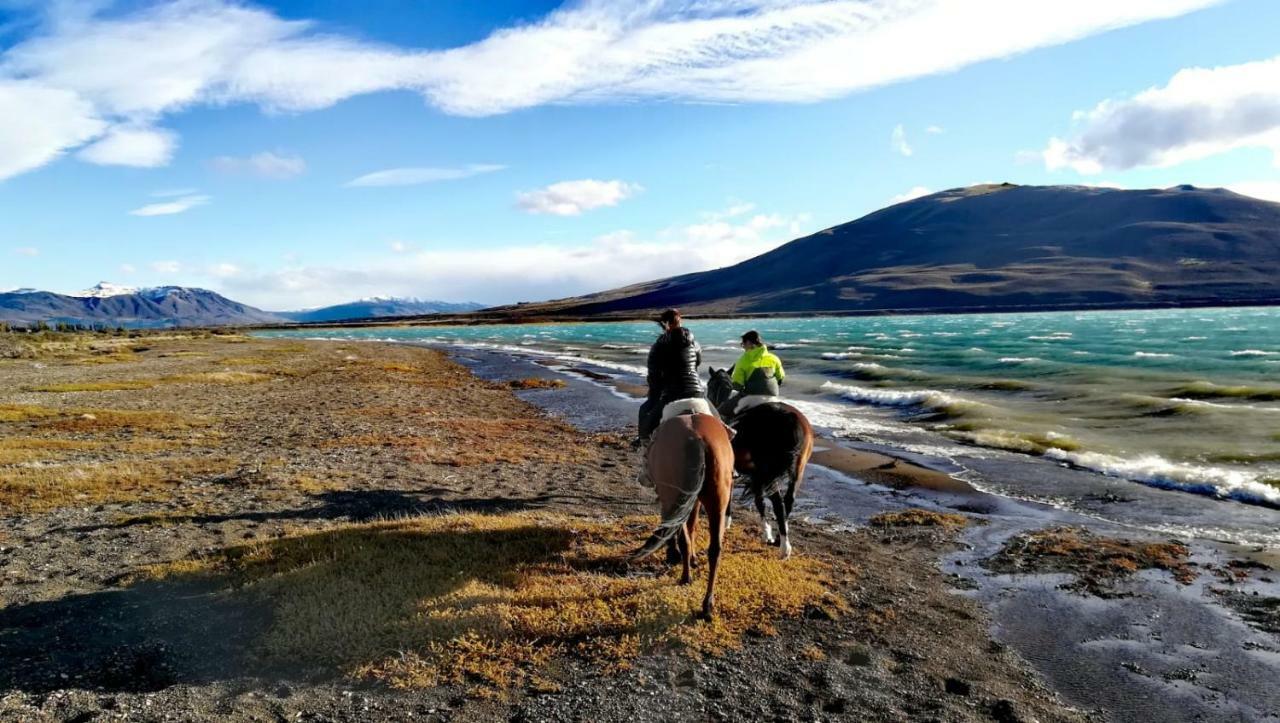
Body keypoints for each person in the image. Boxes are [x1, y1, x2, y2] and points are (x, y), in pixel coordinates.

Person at [636, 308, 706, 444]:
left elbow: (653, 377)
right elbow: (697, 363)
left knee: (644, 411)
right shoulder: (695, 343)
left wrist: (654, 395)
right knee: (718, 420)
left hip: (672, 394)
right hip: (696, 391)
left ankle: (642, 442)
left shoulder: (659, 345)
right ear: (680, 321)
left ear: (665, 324)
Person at [730, 330, 785, 397]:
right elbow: (780, 379)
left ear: (748, 343)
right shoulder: (774, 358)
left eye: (743, 344)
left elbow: (737, 385)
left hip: (752, 397)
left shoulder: (743, 360)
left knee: (726, 406)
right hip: (773, 396)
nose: (743, 347)